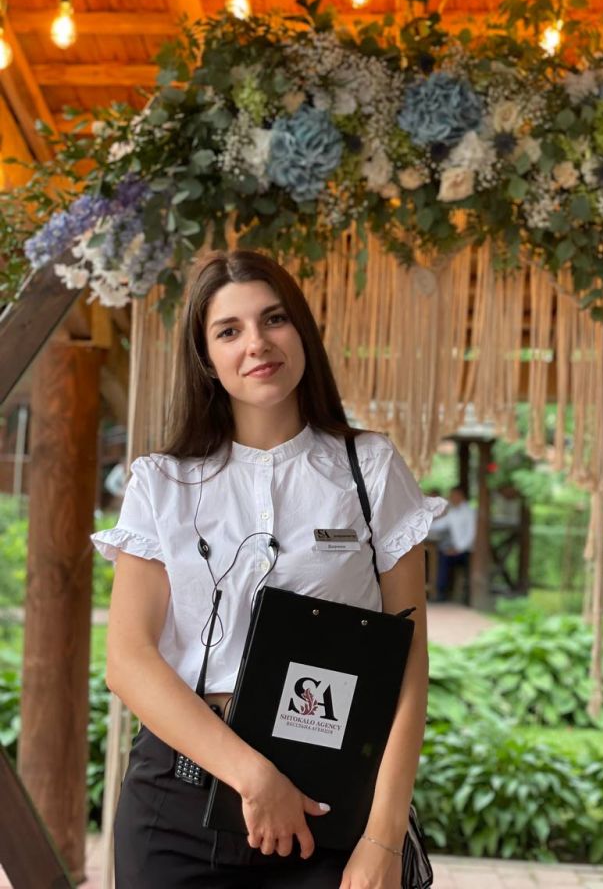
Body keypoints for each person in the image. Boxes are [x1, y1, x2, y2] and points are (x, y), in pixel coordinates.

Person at [91, 250, 446, 889]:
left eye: (274, 319)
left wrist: (384, 839)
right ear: (206, 357)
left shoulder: (369, 470)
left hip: (329, 807)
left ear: (301, 330)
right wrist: (256, 778)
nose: (257, 343)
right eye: (229, 330)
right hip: (177, 806)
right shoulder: (161, 483)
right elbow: (128, 661)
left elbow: (408, 665)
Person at [431, 486, 477, 603]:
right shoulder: (453, 512)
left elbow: (472, 534)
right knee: (441, 554)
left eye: (452, 495)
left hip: (467, 551)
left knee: (444, 557)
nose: (450, 498)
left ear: (460, 496)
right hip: (456, 549)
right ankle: (440, 592)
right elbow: (439, 525)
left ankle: (443, 593)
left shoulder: (470, 512)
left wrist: (458, 549)